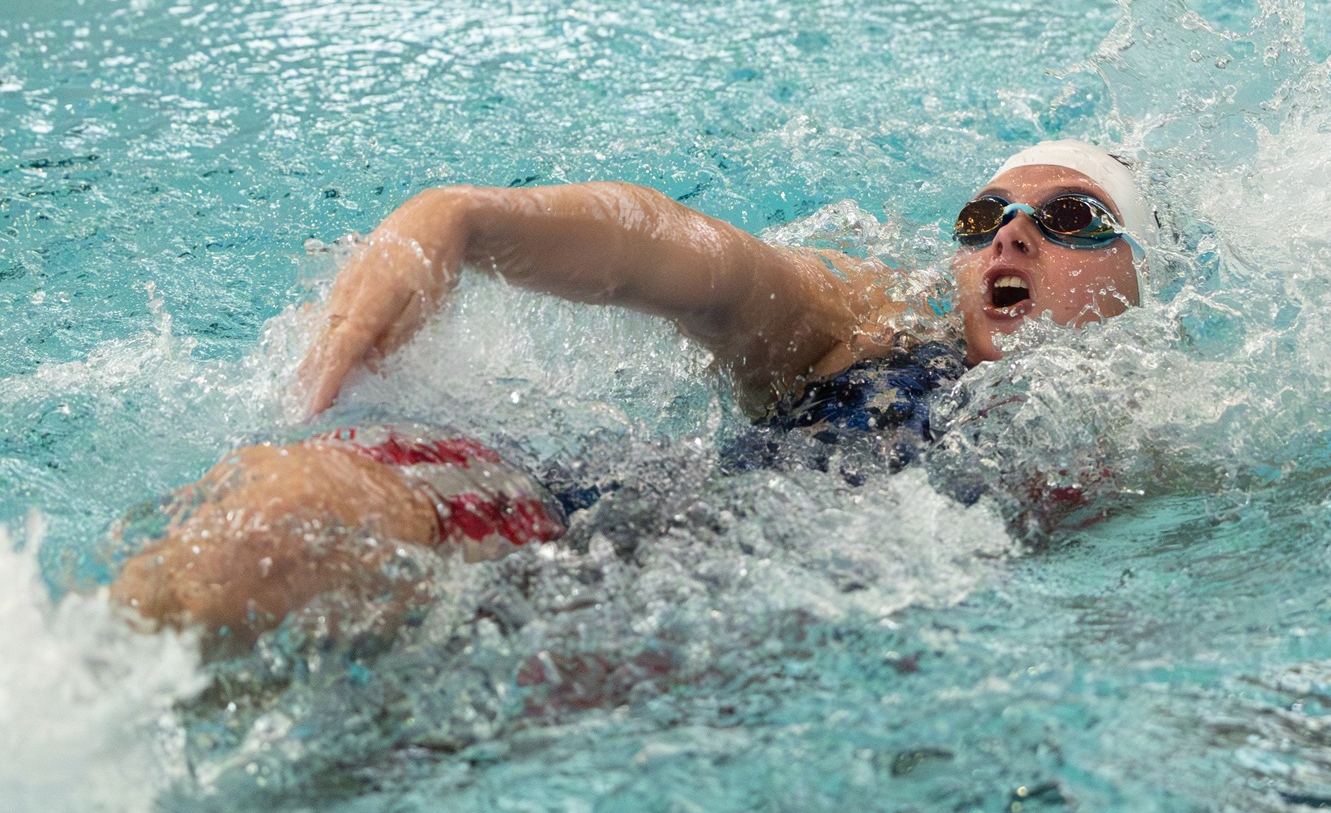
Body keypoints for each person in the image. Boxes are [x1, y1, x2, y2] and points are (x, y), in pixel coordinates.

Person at [109, 140, 1154, 646]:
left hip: (738, 655)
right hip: (601, 538)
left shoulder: (1182, 433)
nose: (1011, 235)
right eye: (985, 218)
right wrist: (468, 218)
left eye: (1074, 220)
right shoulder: (872, 325)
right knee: (262, 531)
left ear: (1148, 281)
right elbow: (702, 262)